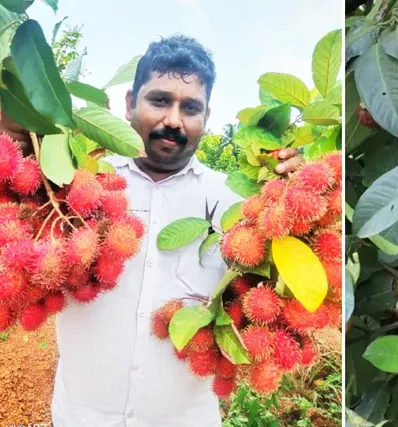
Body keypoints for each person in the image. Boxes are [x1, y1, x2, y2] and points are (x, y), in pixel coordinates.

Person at [0, 34, 304, 427]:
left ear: (206, 119)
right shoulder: (76, 182)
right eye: (160, 100)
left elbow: (281, 280)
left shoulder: (238, 201)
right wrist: (23, 124)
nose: (173, 120)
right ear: (130, 105)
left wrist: (294, 196)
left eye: (190, 107)